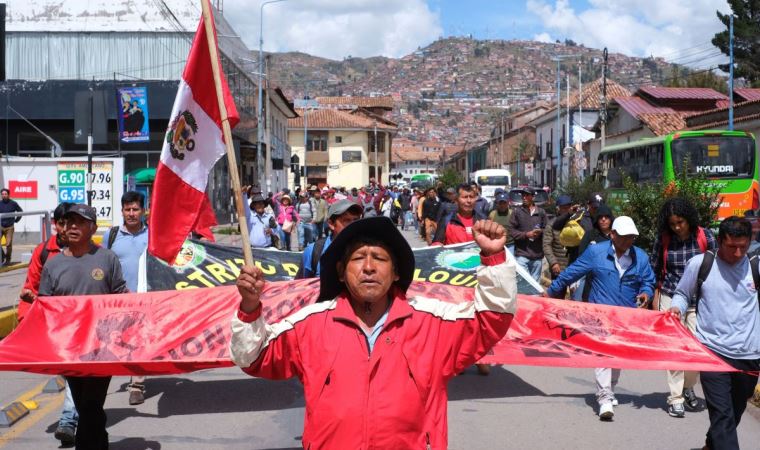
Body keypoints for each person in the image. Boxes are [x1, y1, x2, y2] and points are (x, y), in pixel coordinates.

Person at [230, 216, 517, 449]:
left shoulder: (432, 323)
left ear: (395, 272)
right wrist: (250, 306)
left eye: (379, 258)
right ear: (341, 272)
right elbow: (255, 358)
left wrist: (493, 258)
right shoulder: (310, 324)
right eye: (358, 259)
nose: (368, 267)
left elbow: (490, 320)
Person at [546, 216, 655, 421]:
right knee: (603, 354)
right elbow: (572, 272)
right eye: (624, 237)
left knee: (617, 355)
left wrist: (646, 293)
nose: (628, 241)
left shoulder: (640, 256)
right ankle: (604, 397)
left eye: (632, 237)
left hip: (626, 316)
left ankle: (610, 389)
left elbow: (648, 280)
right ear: (613, 235)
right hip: (600, 315)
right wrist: (551, 292)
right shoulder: (596, 252)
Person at [39, 204, 128, 449]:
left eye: (80, 223)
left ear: (93, 228)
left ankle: (86, 445)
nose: (73, 227)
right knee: (83, 403)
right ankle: (100, 441)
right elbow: (45, 305)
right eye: (69, 223)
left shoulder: (106, 258)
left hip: (102, 347)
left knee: (90, 403)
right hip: (69, 349)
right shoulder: (53, 265)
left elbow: (120, 294)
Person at [668, 216, 759, 450]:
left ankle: (711, 444)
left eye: (743, 246)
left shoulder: (756, 266)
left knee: (734, 412)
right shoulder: (701, 264)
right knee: (722, 414)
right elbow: (681, 293)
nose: (738, 253)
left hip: (750, 356)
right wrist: (676, 308)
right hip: (712, 352)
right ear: (719, 241)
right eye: (731, 247)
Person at [17, 202, 77, 445]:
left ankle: (67, 420)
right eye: (61, 223)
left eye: (70, 223)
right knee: (70, 372)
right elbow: (30, 287)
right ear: (55, 224)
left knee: (74, 372)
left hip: (78, 323)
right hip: (53, 325)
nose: (65, 228)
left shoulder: (88, 250)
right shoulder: (43, 252)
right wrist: (25, 321)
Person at [652, 198, 716, 418]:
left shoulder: (705, 237)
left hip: (700, 300)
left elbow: (716, 267)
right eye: (672, 224)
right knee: (675, 349)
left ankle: (688, 387)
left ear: (688, 219)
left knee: (698, 349)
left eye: (680, 222)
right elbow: (656, 269)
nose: (677, 227)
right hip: (671, 297)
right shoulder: (664, 240)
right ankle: (675, 397)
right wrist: (655, 296)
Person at [102, 192, 150, 406]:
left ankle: (137, 385)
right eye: (127, 209)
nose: (131, 213)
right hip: (117, 299)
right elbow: (102, 264)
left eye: (135, 209)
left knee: (137, 341)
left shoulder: (153, 234)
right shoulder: (111, 236)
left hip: (145, 297)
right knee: (116, 341)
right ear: (122, 211)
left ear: (143, 211)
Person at [296, 199, 363, 279]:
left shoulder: (366, 249)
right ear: (331, 224)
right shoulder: (314, 251)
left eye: (356, 220)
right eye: (346, 221)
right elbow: (300, 286)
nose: (353, 225)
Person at [576, 204, 616, 301]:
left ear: (611, 219)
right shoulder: (590, 235)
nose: (603, 220)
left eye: (606, 217)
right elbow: (581, 255)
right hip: (591, 279)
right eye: (600, 217)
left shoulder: (617, 236)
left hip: (611, 279)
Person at [552, 192, 603, 264]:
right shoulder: (579, 215)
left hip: (597, 261)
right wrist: (569, 213)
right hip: (578, 260)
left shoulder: (605, 218)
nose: (596, 210)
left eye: (599, 208)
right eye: (594, 207)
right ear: (588, 205)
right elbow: (556, 226)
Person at [508, 186, 546, 283]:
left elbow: (547, 230)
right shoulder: (517, 212)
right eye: (523, 195)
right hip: (522, 254)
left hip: (537, 255)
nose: (524, 197)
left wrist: (540, 232)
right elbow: (511, 231)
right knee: (523, 284)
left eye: (527, 195)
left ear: (532, 197)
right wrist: (526, 235)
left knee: (535, 285)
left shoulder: (541, 212)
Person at [543, 194, 571, 294]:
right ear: (558, 209)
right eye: (564, 208)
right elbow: (546, 245)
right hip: (558, 267)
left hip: (573, 266)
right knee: (558, 296)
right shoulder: (551, 224)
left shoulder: (575, 222)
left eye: (568, 207)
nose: (567, 210)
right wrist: (553, 262)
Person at [0, 188, 23, 265]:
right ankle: (2, 256)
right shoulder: (0, 203)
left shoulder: (13, 203)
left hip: (9, 227)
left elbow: (20, 211)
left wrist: (16, 220)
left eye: (5, 194)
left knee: (8, 244)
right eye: (2, 194)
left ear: (8, 195)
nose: (4, 195)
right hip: (1, 226)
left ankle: (8, 259)